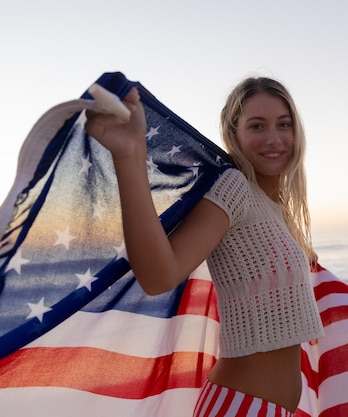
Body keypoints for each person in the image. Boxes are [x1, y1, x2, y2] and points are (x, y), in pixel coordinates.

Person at [85, 77, 324, 417]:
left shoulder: (276, 208)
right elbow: (159, 275)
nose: (274, 138)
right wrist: (130, 154)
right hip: (240, 407)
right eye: (257, 125)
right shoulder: (234, 187)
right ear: (234, 134)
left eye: (284, 125)